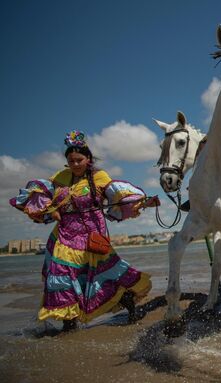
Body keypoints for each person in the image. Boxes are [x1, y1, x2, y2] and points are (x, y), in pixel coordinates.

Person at [10, 131, 155, 331]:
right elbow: (44, 198)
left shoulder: (100, 176)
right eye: (71, 161)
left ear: (88, 159)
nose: (75, 164)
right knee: (61, 274)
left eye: (79, 160)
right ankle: (68, 324)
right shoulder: (60, 178)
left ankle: (129, 305)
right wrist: (52, 211)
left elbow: (120, 197)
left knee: (104, 275)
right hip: (64, 234)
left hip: (92, 236)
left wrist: (144, 202)